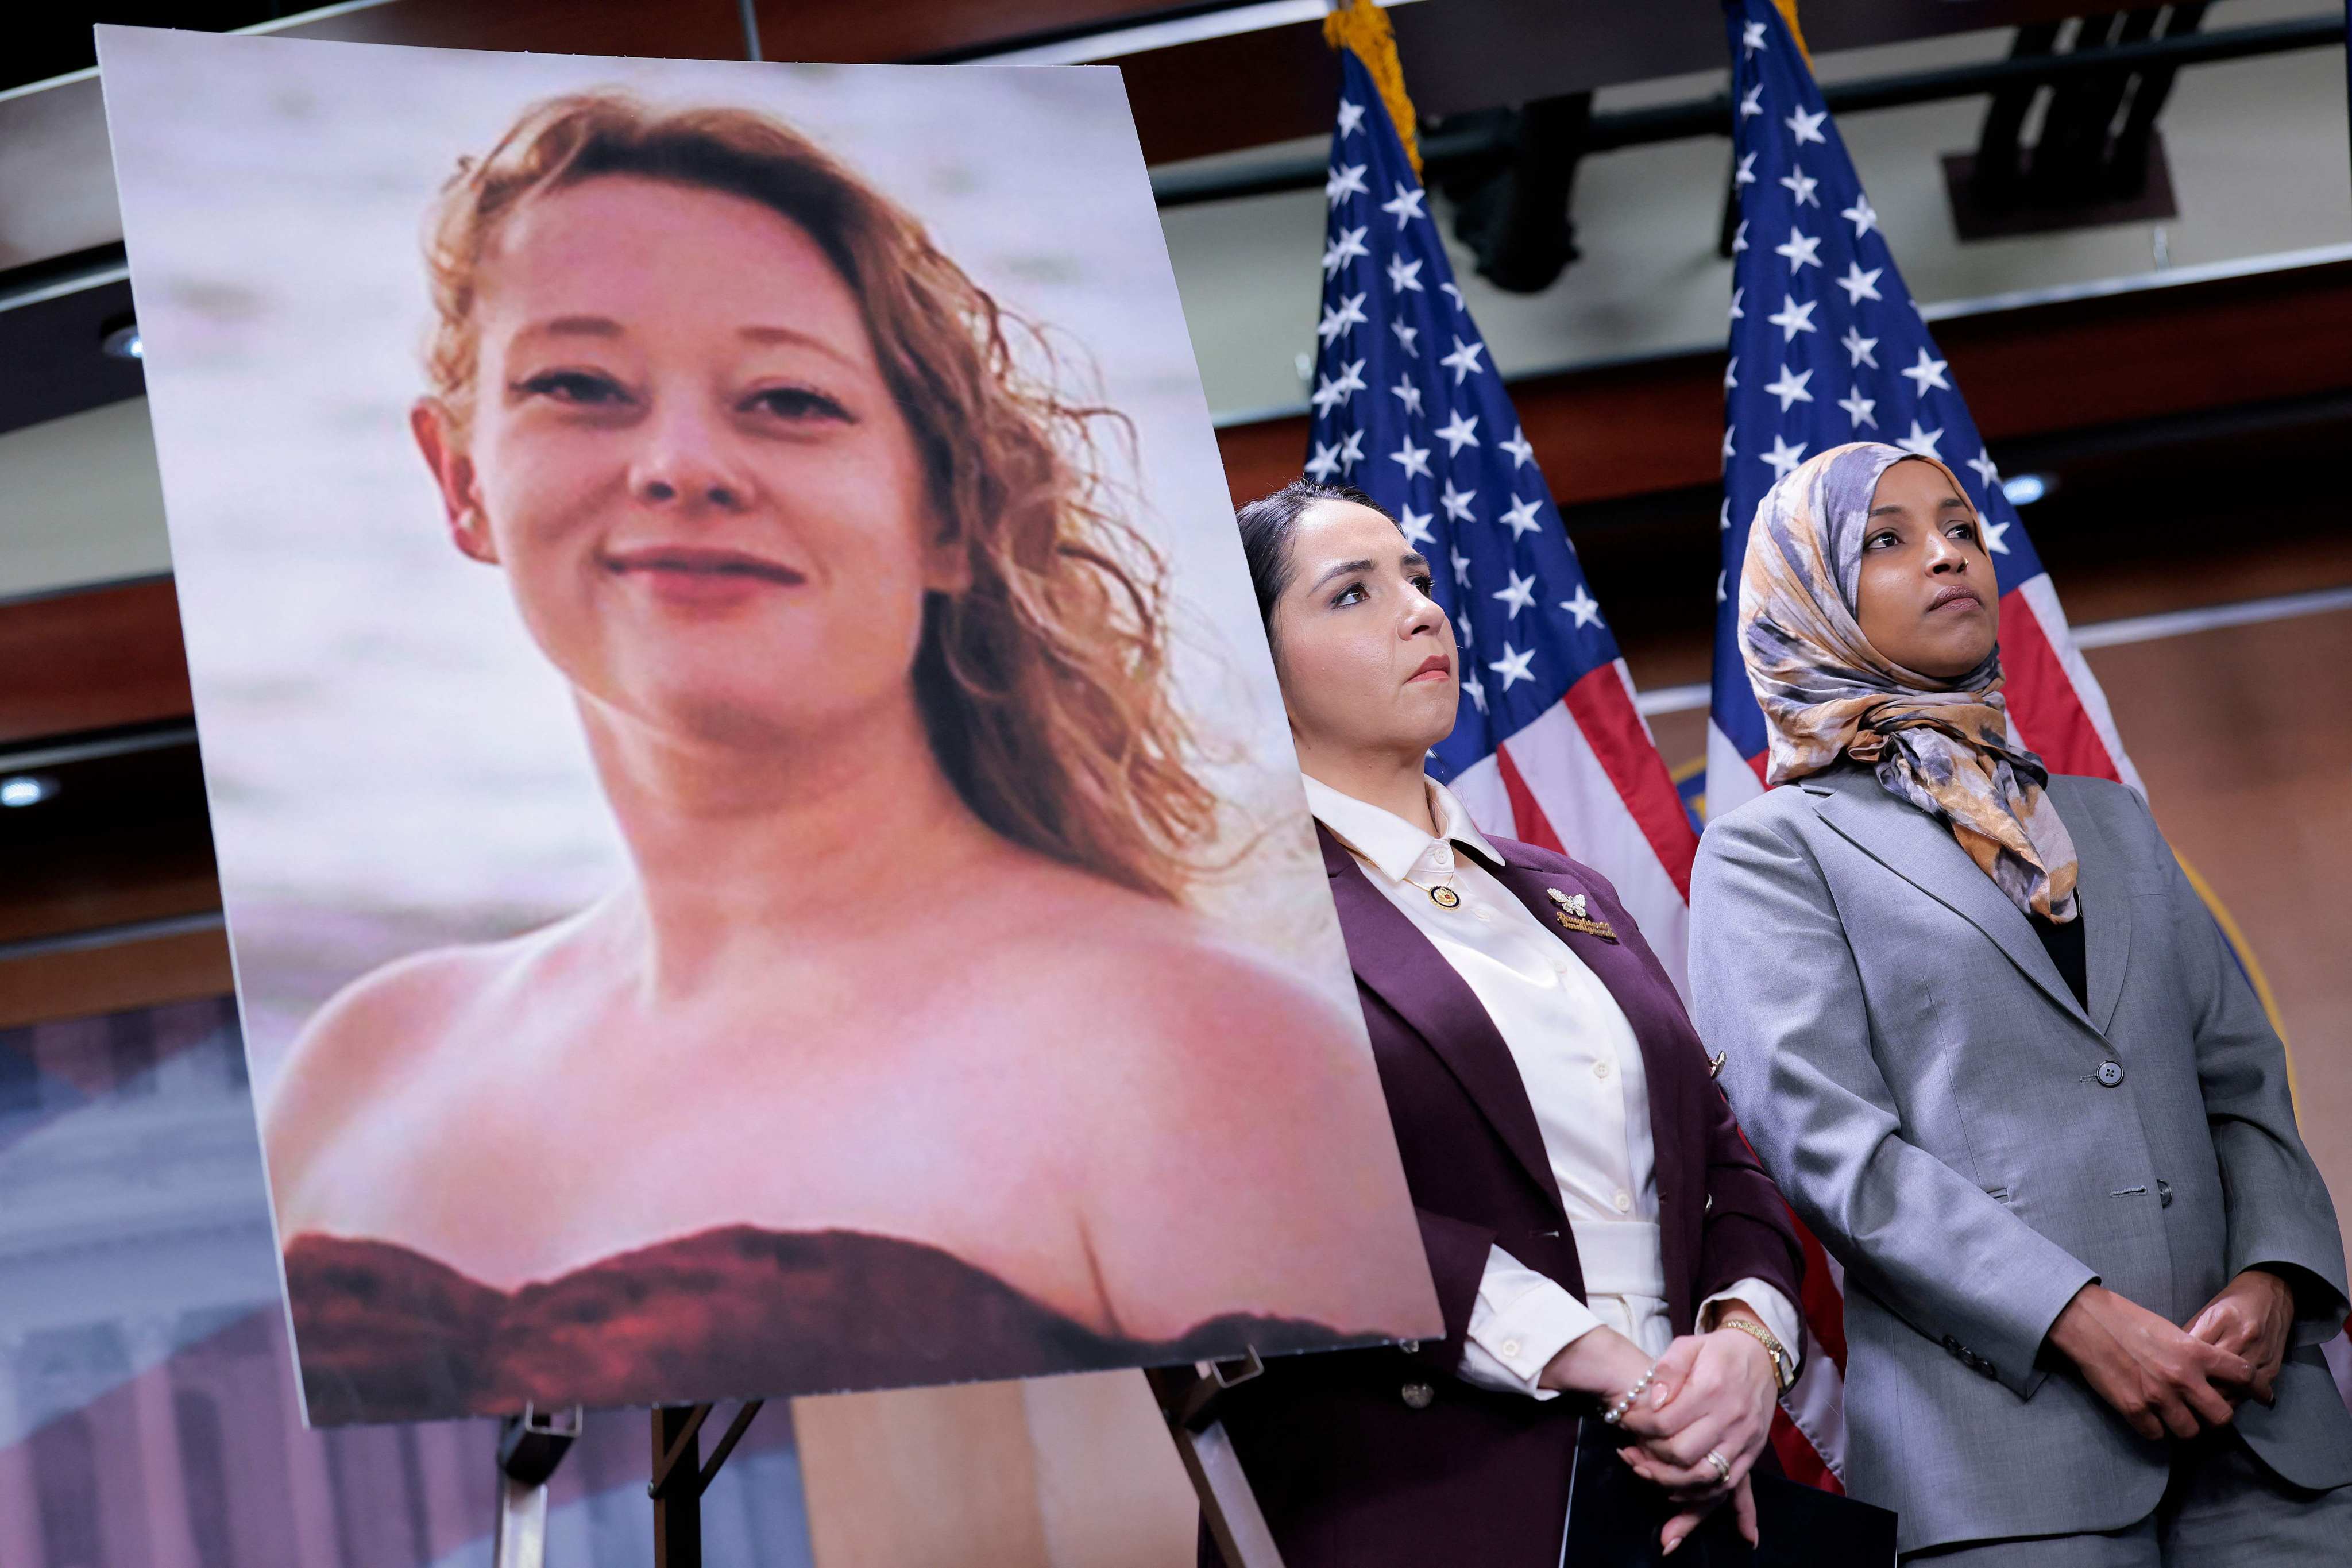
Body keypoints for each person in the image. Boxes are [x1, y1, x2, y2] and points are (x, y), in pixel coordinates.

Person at [260, 94, 1436, 1424]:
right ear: (459, 477)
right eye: (576, 385)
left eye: (788, 400)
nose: (681, 466)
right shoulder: (360, 1065)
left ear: (945, 509)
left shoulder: (1204, 1055)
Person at [1690, 441, 2352, 1563]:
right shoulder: (1770, 851)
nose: (1946, 554)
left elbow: (2238, 1079)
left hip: (2259, 1426)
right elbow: (1829, 1147)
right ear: (1803, 594)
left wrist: (2275, 1270)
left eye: (1957, 526)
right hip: (2005, 1461)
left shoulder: (2104, 820)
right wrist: (2076, 1318)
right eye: (1886, 540)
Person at [1211, 478, 1807, 1564]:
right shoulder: (1226, 918)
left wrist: (1746, 1346)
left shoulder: (1567, 887)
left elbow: (1727, 1162)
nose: (1420, 610)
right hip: (1433, 1490)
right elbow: (1281, 1200)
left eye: (1420, 580)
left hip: (1696, 1476)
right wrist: (1599, 1357)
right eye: (1352, 594)